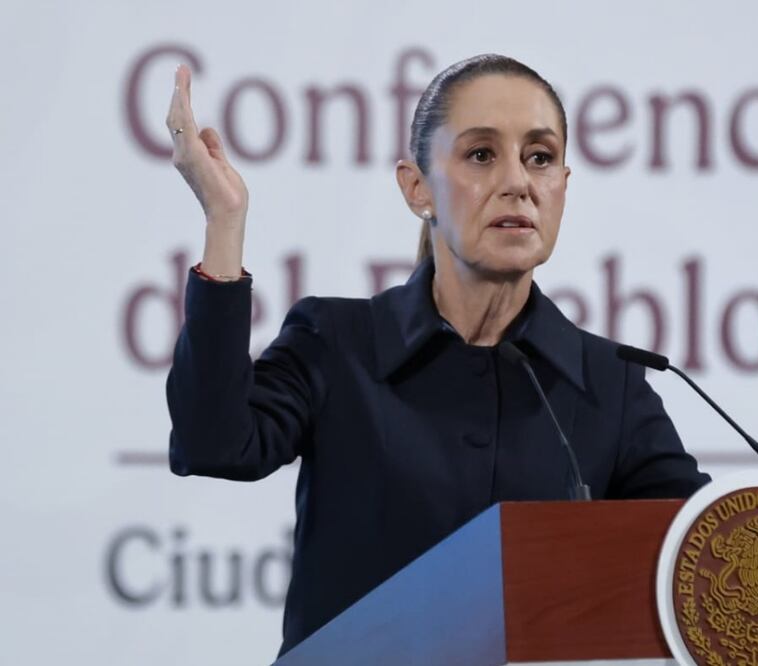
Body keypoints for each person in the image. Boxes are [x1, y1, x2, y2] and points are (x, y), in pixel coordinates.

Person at [165, 54, 709, 657]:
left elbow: (707, 556)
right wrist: (225, 219)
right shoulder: (338, 342)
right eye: (481, 155)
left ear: (562, 186)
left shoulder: (609, 384)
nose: (518, 182)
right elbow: (212, 442)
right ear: (416, 187)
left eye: (540, 157)